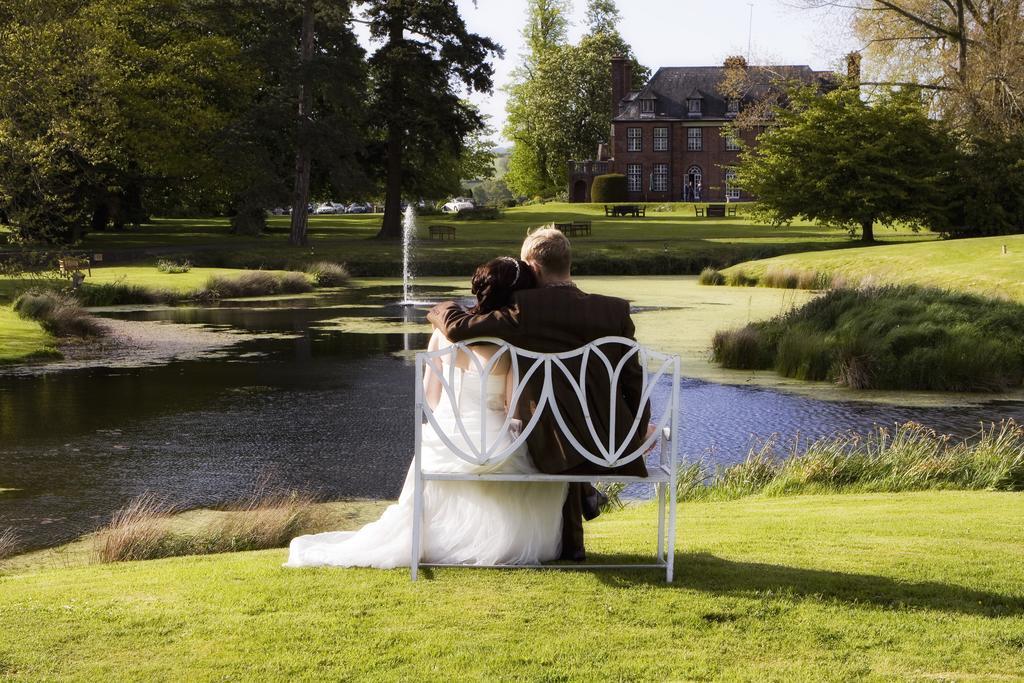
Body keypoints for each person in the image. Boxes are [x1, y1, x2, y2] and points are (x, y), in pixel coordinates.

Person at [286, 257, 567, 568]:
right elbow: (512, 406)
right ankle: (498, 542)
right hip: (495, 440)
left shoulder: (443, 333)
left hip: (448, 434)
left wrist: (451, 420)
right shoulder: (514, 341)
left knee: (433, 449)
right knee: (534, 462)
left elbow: (430, 396)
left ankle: (442, 538)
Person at [428, 227, 651, 561]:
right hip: (610, 443)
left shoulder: (525, 310)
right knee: (568, 419)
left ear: (531, 267)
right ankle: (574, 541)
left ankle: (572, 537)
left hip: (554, 445)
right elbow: (633, 380)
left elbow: (459, 330)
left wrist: (441, 306)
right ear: (568, 263)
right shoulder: (614, 311)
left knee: (552, 422)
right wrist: (637, 429)